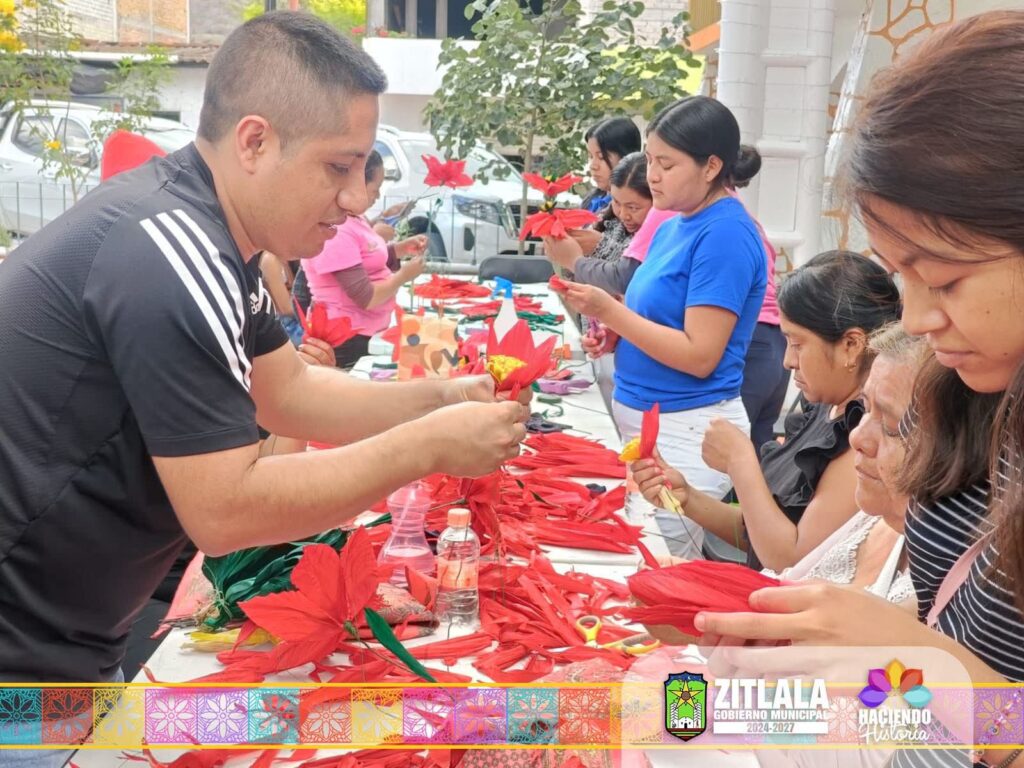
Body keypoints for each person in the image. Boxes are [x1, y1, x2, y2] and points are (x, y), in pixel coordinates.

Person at [0, 9, 528, 711]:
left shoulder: (211, 233)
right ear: (255, 141)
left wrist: (443, 399)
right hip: (23, 665)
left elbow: (290, 390)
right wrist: (427, 446)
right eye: (337, 167)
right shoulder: (170, 254)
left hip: (67, 638)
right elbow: (224, 511)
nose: (354, 198)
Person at [693, 13, 1024, 768]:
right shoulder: (984, 388)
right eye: (902, 275)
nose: (916, 317)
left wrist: (924, 667)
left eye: (944, 278)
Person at [557, 95, 768, 560]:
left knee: (657, 564)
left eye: (666, 164)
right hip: (644, 415)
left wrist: (611, 312)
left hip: (685, 427)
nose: (652, 175)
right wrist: (614, 334)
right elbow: (653, 312)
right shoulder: (673, 222)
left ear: (711, 166)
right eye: (650, 160)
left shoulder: (725, 234)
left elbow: (700, 355)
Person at [626, 251, 901, 572]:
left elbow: (790, 558)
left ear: (851, 345)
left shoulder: (861, 439)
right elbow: (760, 533)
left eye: (797, 344)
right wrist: (687, 497)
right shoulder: (825, 410)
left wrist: (741, 461)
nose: (788, 361)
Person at [303, 149, 428, 368]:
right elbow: (366, 297)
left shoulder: (354, 217)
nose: (377, 196)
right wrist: (403, 276)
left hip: (366, 331)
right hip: (345, 338)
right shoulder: (337, 230)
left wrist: (399, 249)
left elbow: (367, 259)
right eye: (375, 189)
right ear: (357, 184)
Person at [544, 152, 653, 296]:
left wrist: (601, 247)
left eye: (633, 208)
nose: (623, 214)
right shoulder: (607, 222)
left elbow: (627, 278)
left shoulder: (659, 235)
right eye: (616, 202)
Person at [571, 117, 643, 256]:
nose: (593, 166)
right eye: (591, 156)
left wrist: (600, 245)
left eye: (602, 157)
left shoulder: (637, 208)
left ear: (627, 157)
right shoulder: (592, 200)